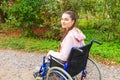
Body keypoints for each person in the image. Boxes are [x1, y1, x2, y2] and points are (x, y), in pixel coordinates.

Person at [33, 10, 86, 78]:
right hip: (77, 63)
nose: (63, 21)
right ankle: (42, 70)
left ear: (73, 21)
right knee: (51, 55)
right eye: (62, 19)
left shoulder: (70, 36)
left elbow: (63, 57)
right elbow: (83, 47)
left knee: (49, 55)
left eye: (66, 19)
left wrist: (50, 52)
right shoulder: (77, 31)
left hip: (67, 64)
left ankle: (42, 72)